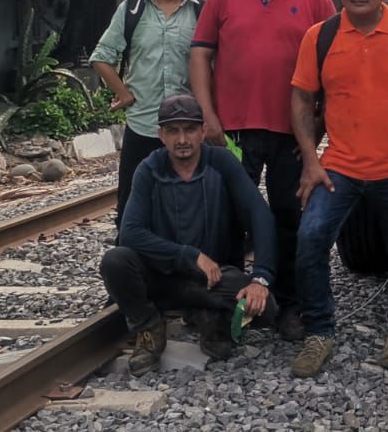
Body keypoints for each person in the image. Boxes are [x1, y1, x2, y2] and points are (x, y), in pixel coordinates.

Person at [189, 0, 336, 340]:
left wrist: (317, 127)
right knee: (228, 218)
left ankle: (289, 304)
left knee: (290, 217)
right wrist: (208, 115)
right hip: (230, 133)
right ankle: (221, 304)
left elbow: (334, 67)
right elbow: (200, 55)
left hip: (292, 136)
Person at [288, 0, 388, 378]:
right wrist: (312, 161)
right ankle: (319, 334)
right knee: (311, 241)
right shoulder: (321, 36)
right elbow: (301, 97)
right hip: (340, 167)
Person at [100, 94, 278, 376]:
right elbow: (130, 233)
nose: (182, 139)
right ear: (161, 135)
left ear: (203, 131)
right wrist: (189, 255)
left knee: (265, 307)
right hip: (161, 279)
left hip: (212, 278)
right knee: (115, 261)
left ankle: (206, 316)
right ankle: (149, 327)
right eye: (173, 131)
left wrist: (261, 277)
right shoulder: (149, 169)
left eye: (190, 129)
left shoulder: (222, 162)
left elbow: (261, 216)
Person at [89, 0, 200, 225]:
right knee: (131, 206)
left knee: (186, 205)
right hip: (142, 125)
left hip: (187, 130)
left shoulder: (201, 11)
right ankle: (130, 262)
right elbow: (101, 56)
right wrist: (123, 93)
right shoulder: (132, 9)